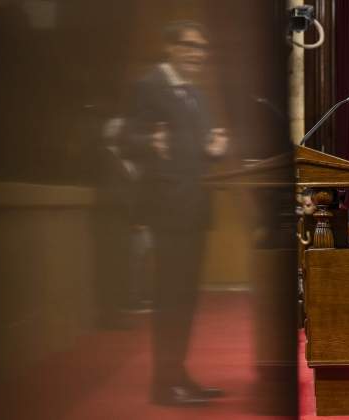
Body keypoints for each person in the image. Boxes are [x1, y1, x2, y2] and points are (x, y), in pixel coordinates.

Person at [124, 20, 228, 406]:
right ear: (171, 47)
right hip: (167, 210)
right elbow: (126, 136)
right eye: (190, 47)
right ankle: (164, 385)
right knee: (170, 300)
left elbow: (197, 146)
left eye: (202, 49)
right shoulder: (148, 85)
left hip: (195, 209)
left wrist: (214, 146)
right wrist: (148, 140)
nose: (198, 55)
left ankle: (178, 374)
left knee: (185, 299)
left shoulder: (195, 95)